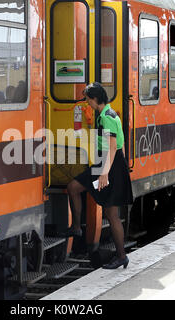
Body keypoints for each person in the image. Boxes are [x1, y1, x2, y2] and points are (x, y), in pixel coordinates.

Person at [60, 82, 133, 269]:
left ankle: (121, 256)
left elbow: (113, 147)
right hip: (109, 163)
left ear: (95, 99)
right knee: (74, 188)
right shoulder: (104, 114)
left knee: (111, 213)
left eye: (88, 99)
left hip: (110, 165)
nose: (87, 103)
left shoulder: (107, 117)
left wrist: (105, 173)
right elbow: (120, 146)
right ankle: (76, 228)